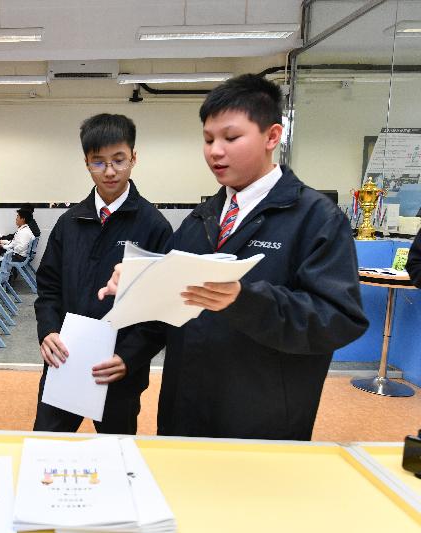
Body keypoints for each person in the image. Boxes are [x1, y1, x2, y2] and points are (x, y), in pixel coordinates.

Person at [99, 74, 368, 440]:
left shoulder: (316, 218)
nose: (215, 151)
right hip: (186, 411)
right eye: (208, 139)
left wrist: (245, 299)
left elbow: (338, 319)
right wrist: (136, 281)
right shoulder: (201, 219)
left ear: (272, 136)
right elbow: (169, 306)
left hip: (262, 418)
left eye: (230, 137)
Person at [33, 113, 172, 434]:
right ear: (86, 163)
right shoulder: (69, 223)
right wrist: (48, 331)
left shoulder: (153, 227)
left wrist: (129, 356)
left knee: (117, 457)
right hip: (64, 363)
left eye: (119, 160)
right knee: (46, 448)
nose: (109, 171)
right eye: (99, 162)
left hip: (118, 372)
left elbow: (159, 310)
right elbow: (48, 289)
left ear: (134, 158)